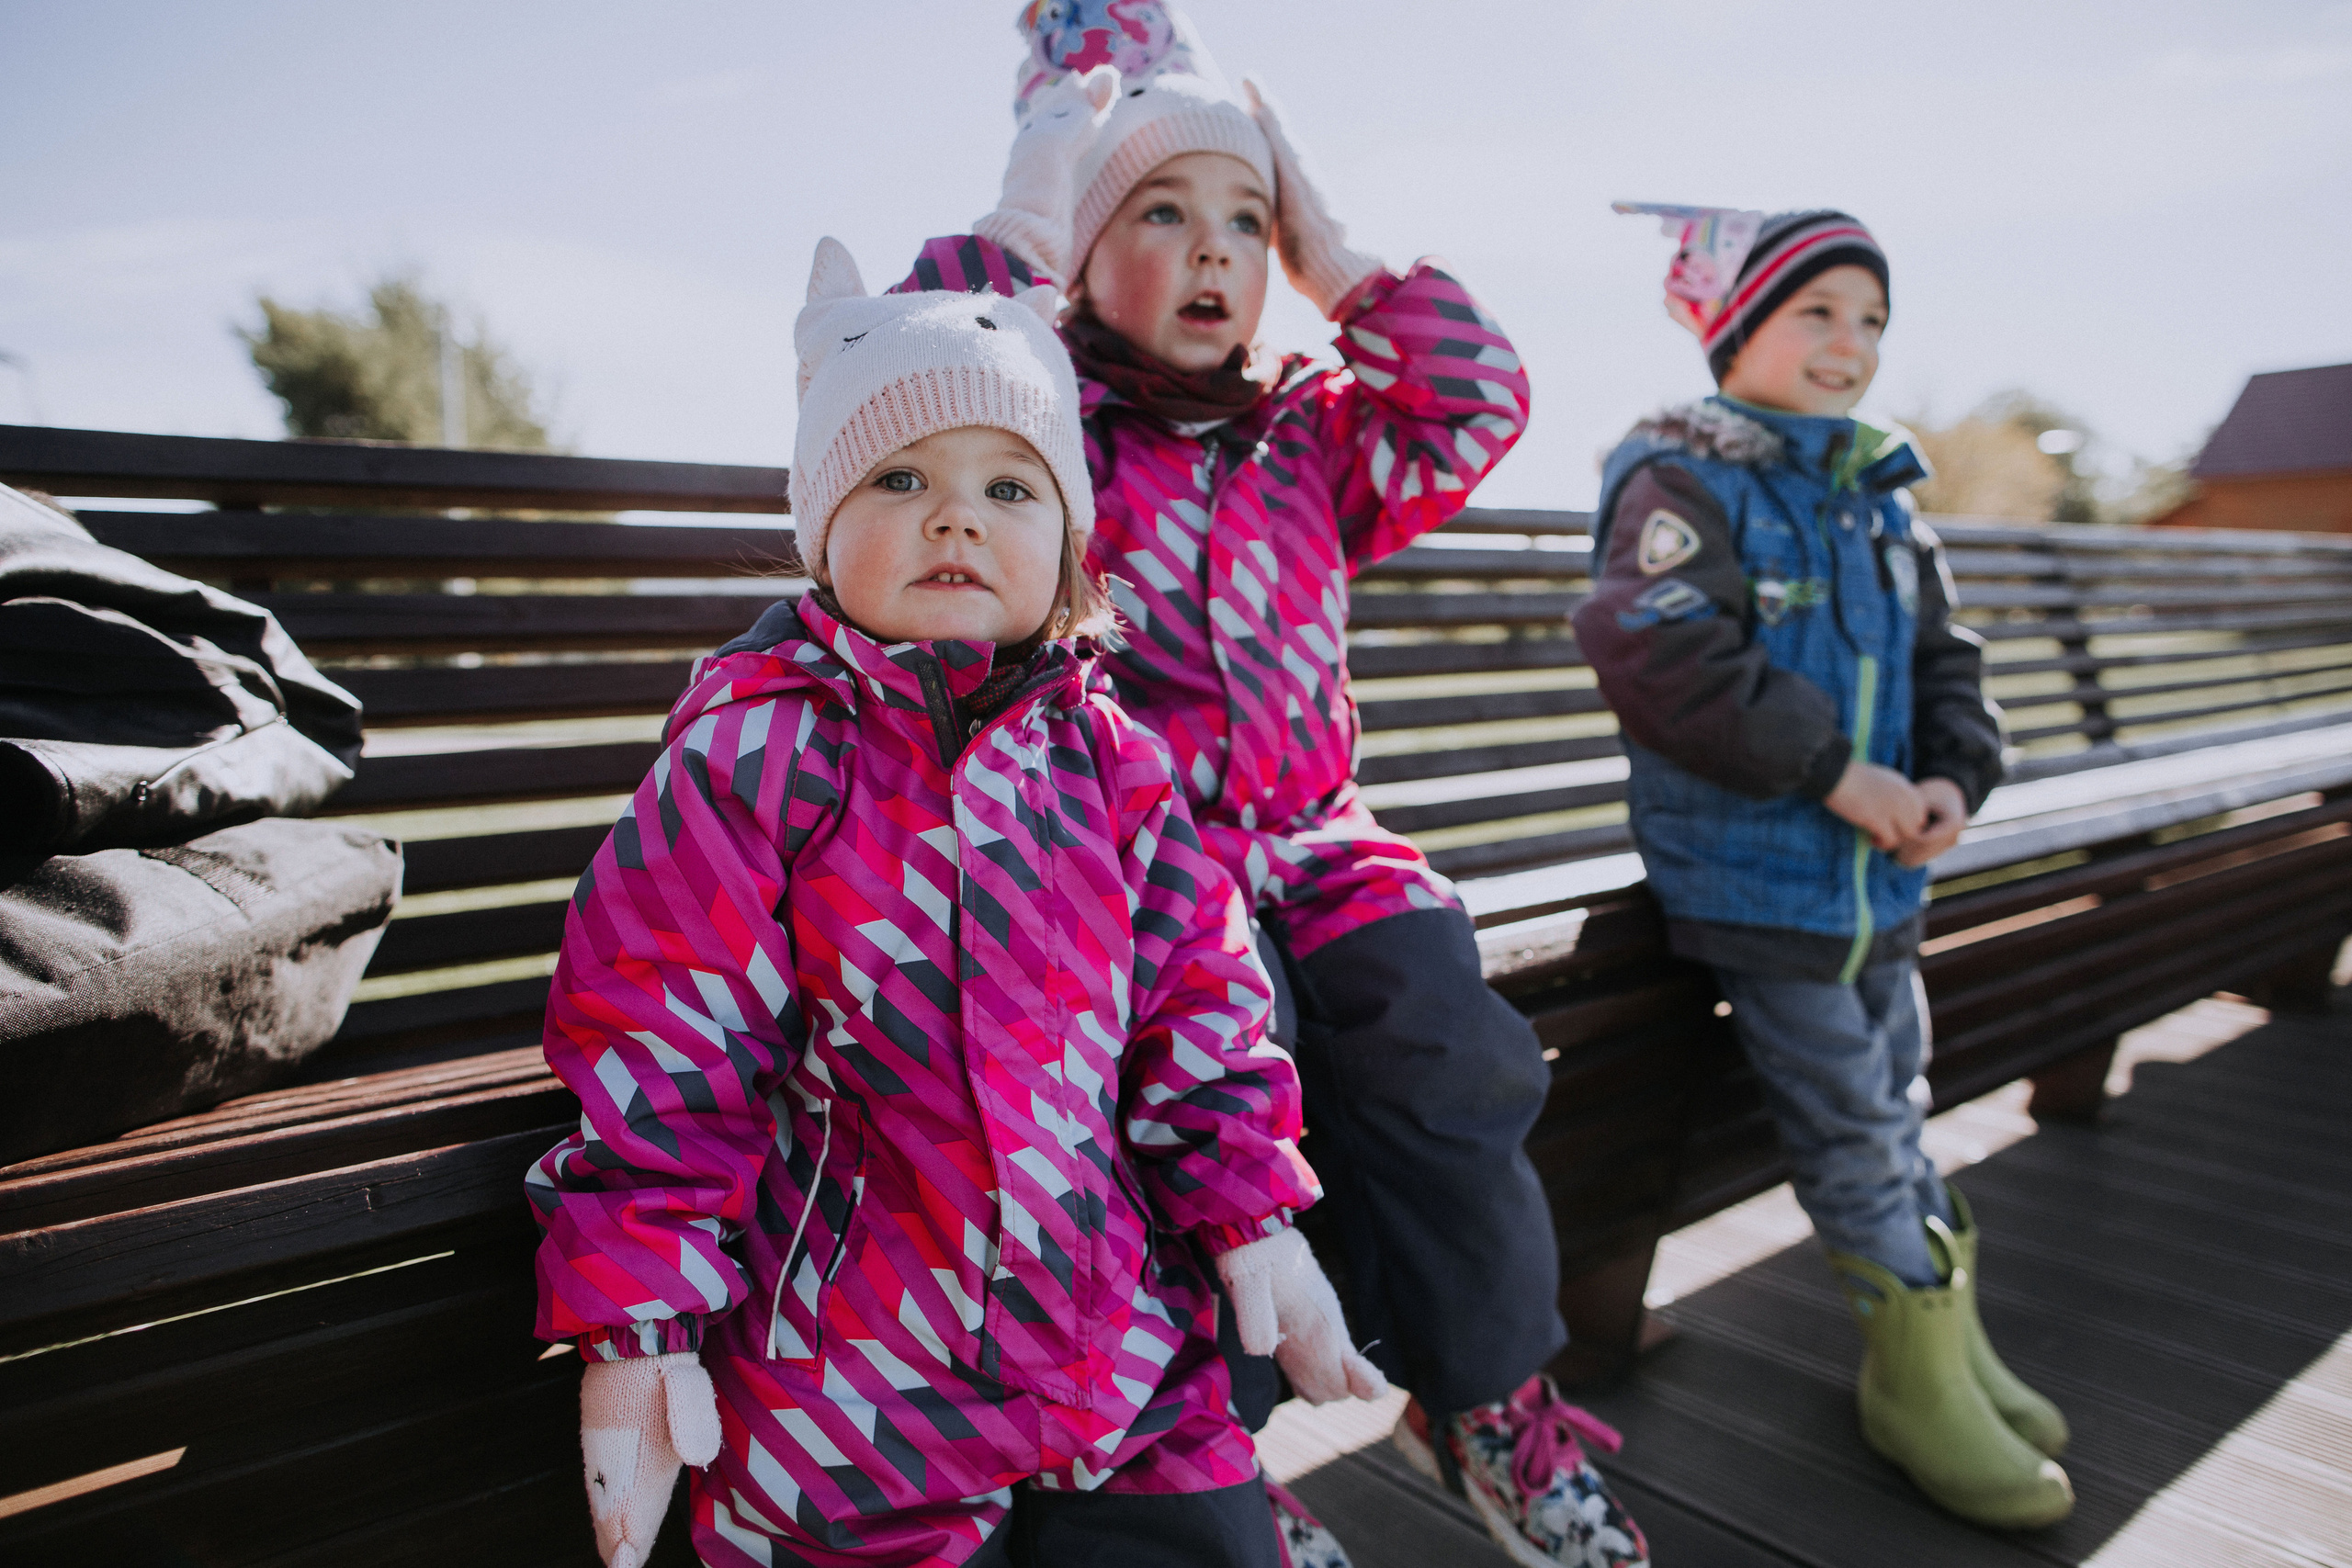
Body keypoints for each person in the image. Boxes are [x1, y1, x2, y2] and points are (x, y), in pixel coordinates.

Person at [890, 8, 1650, 1566]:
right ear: (1084, 256)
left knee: (1447, 1035)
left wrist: (1344, 255)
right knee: (1213, 1079)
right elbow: (921, 377)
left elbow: (1480, 399)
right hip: (1131, 866)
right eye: (1159, 215)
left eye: (1247, 219)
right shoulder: (1049, 438)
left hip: (1319, 844)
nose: (1214, 250)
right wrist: (1028, 220)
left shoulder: (1313, 440)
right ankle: (1209, 1449)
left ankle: (1484, 1398)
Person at [526, 239, 1385, 1568]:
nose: (957, 517)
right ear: (823, 528)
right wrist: (639, 1338)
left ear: (1072, 548)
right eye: (900, 477)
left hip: (1115, 1339)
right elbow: (665, 1062)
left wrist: (1253, 1218)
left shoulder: (1114, 765)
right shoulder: (761, 759)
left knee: (1207, 1537)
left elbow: (1202, 1003)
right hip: (853, 1382)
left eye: (1009, 486)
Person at [1575, 209, 2074, 1529]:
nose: (1851, 343)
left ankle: (1947, 1344)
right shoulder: (1680, 480)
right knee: (1855, 1124)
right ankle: (1913, 1389)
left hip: (1880, 886)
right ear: (1736, 327)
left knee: (1899, 1097)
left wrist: (1956, 778)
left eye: (1872, 320)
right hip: (1765, 882)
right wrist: (1841, 776)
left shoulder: (1880, 494)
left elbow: (1946, 660)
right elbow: (1665, 653)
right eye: (1818, 313)